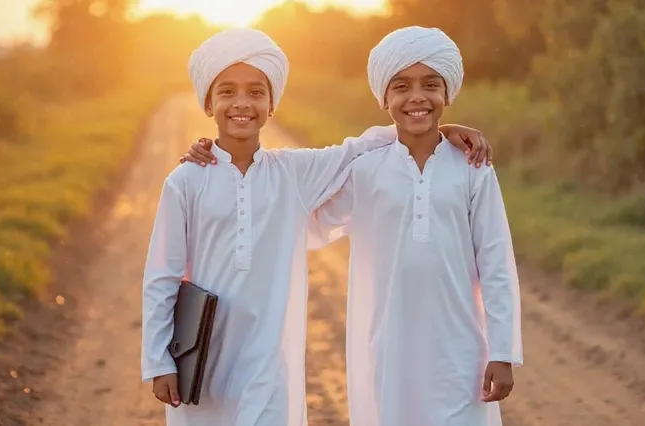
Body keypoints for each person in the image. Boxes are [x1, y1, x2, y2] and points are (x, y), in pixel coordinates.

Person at [142, 27, 490, 426]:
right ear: (207, 103)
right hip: (202, 360)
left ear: (272, 104)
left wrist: (443, 132)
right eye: (227, 92)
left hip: (267, 365)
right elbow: (162, 276)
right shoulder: (185, 181)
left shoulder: (292, 173)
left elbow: (363, 146)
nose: (242, 103)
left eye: (256, 92)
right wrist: (158, 359)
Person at [306, 26, 523, 426]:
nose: (417, 97)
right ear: (384, 97)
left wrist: (503, 351)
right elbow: (306, 221)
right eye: (401, 86)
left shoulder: (472, 167)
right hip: (390, 348)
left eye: (430, 85)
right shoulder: (365, 170)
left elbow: (495, 262)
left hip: (462, 350)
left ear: (448, 94)